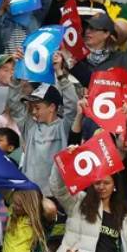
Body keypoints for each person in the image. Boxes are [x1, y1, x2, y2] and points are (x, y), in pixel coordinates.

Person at [7, 65, 77, 195]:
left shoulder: (63, 126)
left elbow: (72, 106)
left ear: (51, 107)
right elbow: (14, 105)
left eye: (37, 108)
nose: (33, 111)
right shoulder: (29, 125)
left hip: (56, 195)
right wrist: (16, 78)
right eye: (32, 107)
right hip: (31, 193)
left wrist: (61, 76)